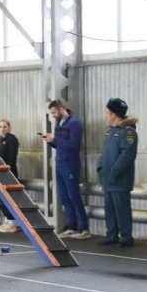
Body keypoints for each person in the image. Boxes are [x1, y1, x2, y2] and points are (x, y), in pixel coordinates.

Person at [45, 100, 91, 240]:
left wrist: (56, 140)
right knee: (64, 197)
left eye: (54, 112)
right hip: (59, 164)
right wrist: (51, 141)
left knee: (74, 196)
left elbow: (74, 145)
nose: (53, 116)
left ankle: (84, 228)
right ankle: (72, 226)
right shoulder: (59, 123)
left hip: (70, 165)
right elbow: (60, 145)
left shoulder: (74, 123)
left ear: (61, 109)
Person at [98, 98, 138, 247]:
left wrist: (114, 172)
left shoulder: (128, 133)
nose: (106, 115)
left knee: (122, 209)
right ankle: (111, 235)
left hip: (119, 179)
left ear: (113, 114)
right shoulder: (110, 131)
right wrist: (100, 167)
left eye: (108, 112)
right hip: (108, 177)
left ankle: (126, 237)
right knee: (110, 209)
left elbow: (127, 156)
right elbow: (105, 152)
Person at [0, 118, 20, 234]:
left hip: (9, 172)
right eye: (0, 127)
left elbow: (11, 158)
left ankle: (12, 222)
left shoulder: (12, 139)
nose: (2, 129)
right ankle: (7, 221)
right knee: (2, 198)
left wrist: (6, 170)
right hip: (0, 172)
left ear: (9, 127)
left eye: (4, 127)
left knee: (10, 198)